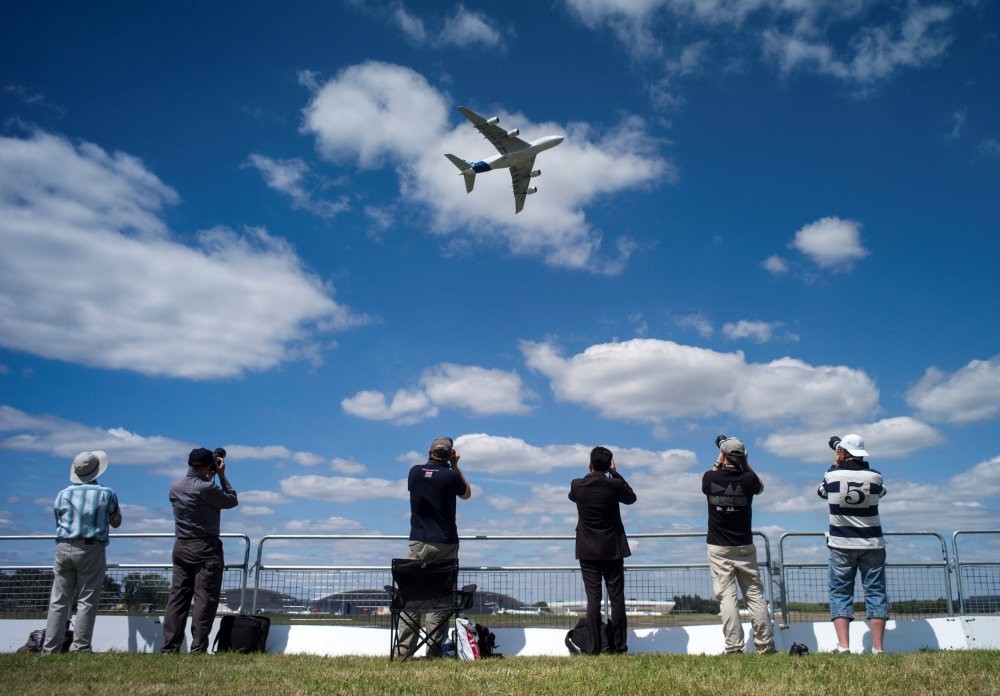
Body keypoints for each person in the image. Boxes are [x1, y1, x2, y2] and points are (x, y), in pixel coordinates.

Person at [395, 437, 471, 658]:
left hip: (419, 540)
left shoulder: (415, 472)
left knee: (412, 595)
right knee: (440, 596)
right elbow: (466, 493)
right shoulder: (450, 475)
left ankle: (403, 651)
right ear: (450, 455)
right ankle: (434, 650)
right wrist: (456, 467)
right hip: (446, 541)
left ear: (429, 451)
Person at [42, 451, 123, 654]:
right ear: (97, 470)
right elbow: (116, 521)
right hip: (91, 547)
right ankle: (81, 647)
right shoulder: (106, 493)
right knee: (87, 599)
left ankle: (50, 647)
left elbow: (58, 520)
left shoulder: (63, 494)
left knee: (59, 601)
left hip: (63, 546)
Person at [702, 435, 775, 654]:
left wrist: (719, 459)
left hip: (718, 546)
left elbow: (711, 478)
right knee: (754, 595)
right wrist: (744, 462)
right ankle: (765, 645)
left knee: (727, 596)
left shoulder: (709, 477)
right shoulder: (748, 479)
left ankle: (734, 646)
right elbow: (759, 487)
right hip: (744, 544)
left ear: (722, 455)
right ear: (742, 456)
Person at [161, 447, 238, 654]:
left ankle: (170, 647)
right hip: (205, 547)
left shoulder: (175, 487)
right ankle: (198, 648)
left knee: (177, 597)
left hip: (181, 545)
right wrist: (221, 476)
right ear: (208, 466)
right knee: (204, 598)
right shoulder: (206, 488)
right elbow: (231, 500)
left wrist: (209, 474)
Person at [817, 433, 888, 654]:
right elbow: (881, 493)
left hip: (841, 543)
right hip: (872, 543)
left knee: (840, 593)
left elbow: (822, 492)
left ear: (842, 453)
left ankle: (844, 646)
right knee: (875, 592)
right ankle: (878, 648)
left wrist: (835, 463)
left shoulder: (832, 476)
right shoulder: (875, 477)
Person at [568, 446, 636, 654]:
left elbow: (573, 496)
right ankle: (619, 645)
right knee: (617, 598)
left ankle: (594, 647)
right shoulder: (614, 485)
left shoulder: (577, 485)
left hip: (587, 550)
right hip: (612, 549)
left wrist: (592, 472)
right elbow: (631, 497)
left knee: (593, 599)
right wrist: (615, 473)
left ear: (590, 463)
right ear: (609, 464)